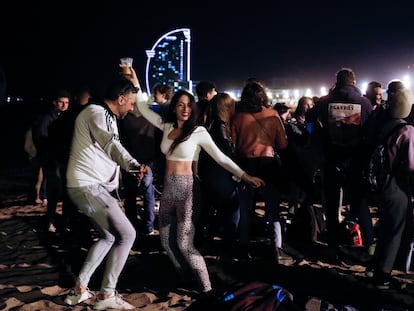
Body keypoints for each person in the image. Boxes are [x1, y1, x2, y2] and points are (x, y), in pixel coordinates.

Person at [132, 68, 264, 295]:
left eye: (189, 104)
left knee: (184, 243)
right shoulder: (167, 127)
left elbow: (221, 158)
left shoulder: (199, 132)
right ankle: (186, 277)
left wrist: (244, 175)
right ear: (174, 106)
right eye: (181, 104)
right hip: (168, 190)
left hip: (187, 190)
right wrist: (133, 78)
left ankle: (207, 289)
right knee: (165, 241)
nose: (185, 108)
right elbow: (142, 106)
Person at [64, 77, 141, 310]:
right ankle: (106, 294)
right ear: (120, 99)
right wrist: (133, 165)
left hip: (86, 186)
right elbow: (111, 144)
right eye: (131, 103)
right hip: (88, 186)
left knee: (108, 236)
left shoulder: (99, 113)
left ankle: (79, 290)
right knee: (127, 235)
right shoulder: (99, 113)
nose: (132, 107)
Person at [306, 68, 373, 261]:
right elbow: (370, 129)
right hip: (355, 160)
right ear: (353, 82)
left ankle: (333, 246)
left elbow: (309, 118)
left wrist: (318, 133)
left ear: (337, 82)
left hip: (332, 158)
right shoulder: (364, 103)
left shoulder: (326, 102)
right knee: (359, 202)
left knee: (333, 204)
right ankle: (369, 244)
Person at [231, 80, 293, 264]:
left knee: (245, 209)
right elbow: (283, 144)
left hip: (245, 165)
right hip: (268, 164)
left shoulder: (238, 118)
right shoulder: (273, 115)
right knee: (272, 209)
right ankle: (277, 249)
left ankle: (244, 247)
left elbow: (233, 146)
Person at [365, 86, 414, 289]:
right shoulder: (407, 130)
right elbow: (411, 165)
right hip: (397, 187)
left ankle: (377, 266)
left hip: (379, 184)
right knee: (395, 231)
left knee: (385, 228)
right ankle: (383, 275)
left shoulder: (383, 125)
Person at [197, 92, 241, 254]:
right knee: (231, 211)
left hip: (209, 175)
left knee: (211, 211)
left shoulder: (209, 124)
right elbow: (226, 155)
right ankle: (228, 246)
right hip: (221, 176)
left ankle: (205, 240)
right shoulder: (220, 128)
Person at [32, 89, 71, 233]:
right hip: (52, 160)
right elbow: (41, 139)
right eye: (61, 102)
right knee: (54, 191)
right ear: (54, 102)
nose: (64, 105)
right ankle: (50, 221)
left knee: (66, 191)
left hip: (63, 160)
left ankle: (63, 221)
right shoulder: (47, 118)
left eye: (66, 102)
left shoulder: (66, 117)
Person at [118, 111, 157, 236]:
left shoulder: (123, 119)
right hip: (147, 161)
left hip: (130, 162)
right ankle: (148, 226)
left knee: (130, 196)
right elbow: (156, 140)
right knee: (148, 194)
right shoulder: (150, 117)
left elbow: (120, 142)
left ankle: (131, 226)